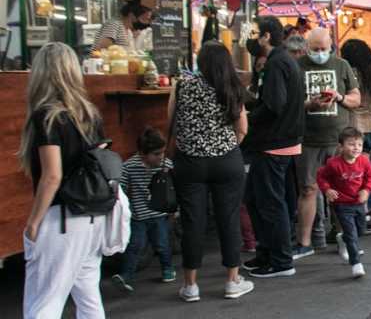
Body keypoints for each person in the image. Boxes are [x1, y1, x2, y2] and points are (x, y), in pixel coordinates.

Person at [19, 42, 109, 317]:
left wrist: (33, 222)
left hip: (61, 218)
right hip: (92, 216)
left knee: (43, 301)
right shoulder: (89, 114)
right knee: (89, 299)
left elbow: (52, 175)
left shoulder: (46, 116)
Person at [171, 41, 254, 300]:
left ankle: (190, 285)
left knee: (192, 221)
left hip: (189, 161)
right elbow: (243, 129)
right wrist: (226, 147)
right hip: (226, 161)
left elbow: (170, 123)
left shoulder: (182, 85)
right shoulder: (231, 87)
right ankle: (232, 280)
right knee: (228, 219)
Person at [241, 16, 306, 279]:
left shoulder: (278, 63)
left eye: (254, 32)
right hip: (275, 142)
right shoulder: (279, 61)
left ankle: (281, 260)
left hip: (275, 143)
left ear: (266, 36)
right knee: (256, 200)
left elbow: (274, 105)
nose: (251, 38)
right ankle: (267, 252)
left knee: (271, 203)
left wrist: (247, 118)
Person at [294, 28, 360, 258]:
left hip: (337, 139)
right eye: (315, 49)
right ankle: (304, 242)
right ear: (306, 47)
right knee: (308, 189)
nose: (320, 53)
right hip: (308, 140)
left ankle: (345, 238)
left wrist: (339, 97)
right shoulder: (297, 66)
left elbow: (356, 98)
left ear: (331, 46)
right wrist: (309, 104)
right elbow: (290, 104)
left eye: (324, 49)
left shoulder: (341, 65)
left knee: (340, 191)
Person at [112, 127, 176, 293]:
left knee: (162, 244)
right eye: (156, 153)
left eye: (162, 152)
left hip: (160, 215)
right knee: (134, 246)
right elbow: (122, 189)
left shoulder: (166, 165)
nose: (160, 157)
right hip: (138, 216)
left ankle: (167, 268)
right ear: (142, 153)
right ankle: (126, 276)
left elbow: (175, 186)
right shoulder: (129, 167)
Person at [317, 127, 371, 278]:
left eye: (359, 145)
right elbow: (321, 176)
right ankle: (356, 263)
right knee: (351, 233)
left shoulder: (363, 161)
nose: (356, 148)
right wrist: (327, 190)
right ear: (341, 147)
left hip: (358, 202)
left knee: (360, 230)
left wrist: (366, 190)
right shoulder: (333, 163)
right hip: (341, 203)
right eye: (351, 144)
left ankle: (342, 239)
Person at [340, 39, 371, 232]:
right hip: (369, 128)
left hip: (351, 127)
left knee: (351, 176)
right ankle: (369, 214)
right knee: (366, 175)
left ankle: (357, 216)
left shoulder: (350, 74)